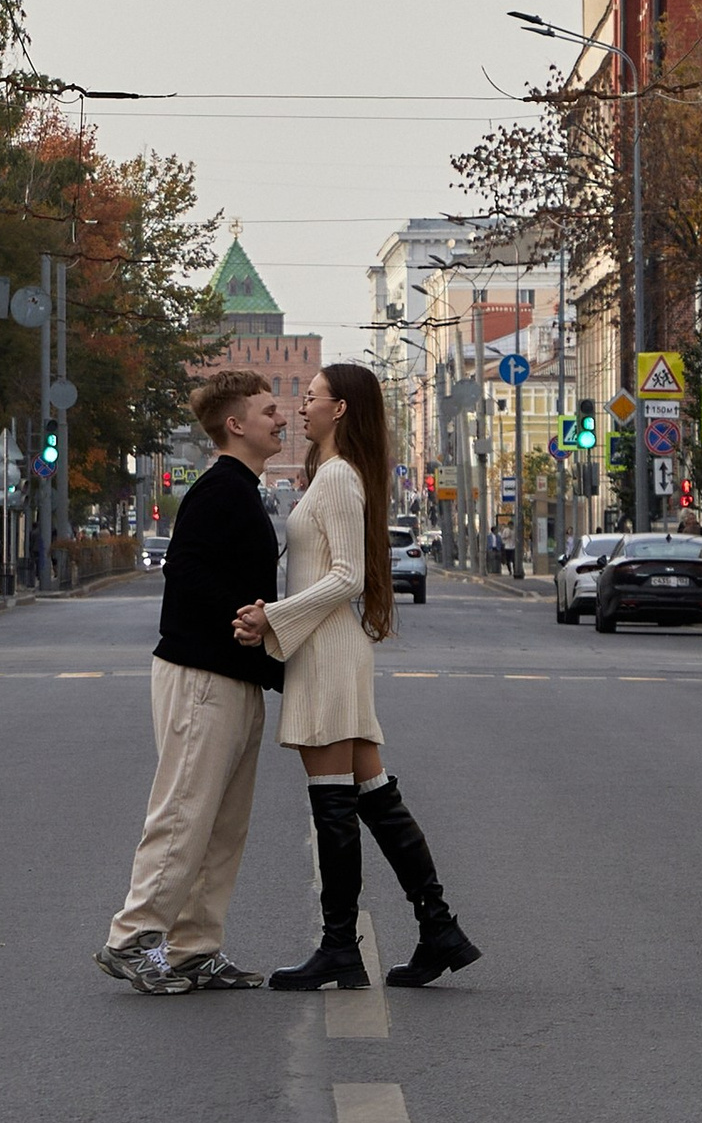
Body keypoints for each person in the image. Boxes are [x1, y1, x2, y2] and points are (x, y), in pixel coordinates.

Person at [237, 362, 480, 992]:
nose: (301, 409)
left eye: (311, 398)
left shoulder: (340, 477)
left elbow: (347, 577)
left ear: (339, 410)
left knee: (334, 809)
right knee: (375, 799)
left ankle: (341, 947)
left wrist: (273, 619)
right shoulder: (331, 475)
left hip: (326, 650)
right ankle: (439, 928)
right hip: (325, 648)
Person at [97, 371, 287, 995]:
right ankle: (133, 938)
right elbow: (184, 571)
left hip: (232, 677)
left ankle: (193, 947)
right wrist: (244, 617)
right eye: (268, 411)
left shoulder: (241, 488)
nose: (280, 419)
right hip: (202, 674)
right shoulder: (220, 489)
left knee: (221, 822)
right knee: (183, 811)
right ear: (235, 425)